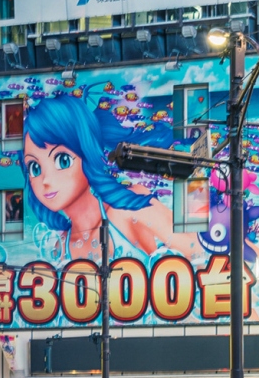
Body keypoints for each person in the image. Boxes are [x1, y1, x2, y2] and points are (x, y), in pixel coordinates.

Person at [23, 91, 203, 262]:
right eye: (35, 168)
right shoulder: (60, 248)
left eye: (62, 160)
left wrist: (200, 185)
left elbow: (197, 253)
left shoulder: (127, 210)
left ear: (88, 154)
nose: (45, 180)